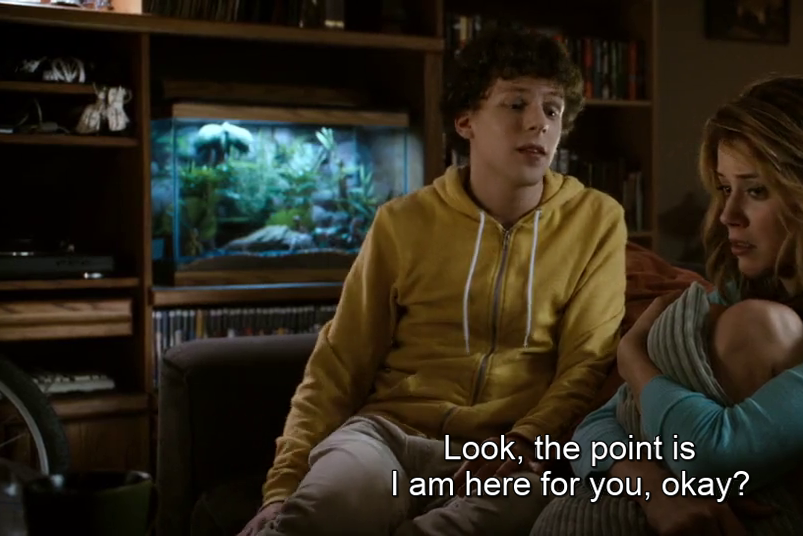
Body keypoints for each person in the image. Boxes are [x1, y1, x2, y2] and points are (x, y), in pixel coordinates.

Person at [531, 75, 803, 536]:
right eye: (725, 188)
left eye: (756, 190)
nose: (728, 215)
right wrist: (654, 486)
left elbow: (713, 457)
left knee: (759, 325)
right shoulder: (742, 293)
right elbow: (593, 431)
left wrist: (635, 360)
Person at [239, 26, 628, 536]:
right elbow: (339, 362)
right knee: (325, 509)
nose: (538, 122)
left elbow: (586, 361)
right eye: (515, 104)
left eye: (552, 110)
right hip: (386, 437)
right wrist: (282, 488)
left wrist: (526, 440)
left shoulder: (596, 220)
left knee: (512, 511)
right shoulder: (402, 223)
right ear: (466, 121)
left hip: (502, 452)